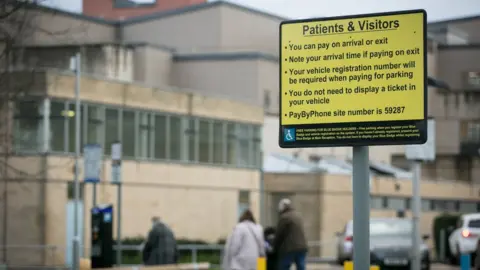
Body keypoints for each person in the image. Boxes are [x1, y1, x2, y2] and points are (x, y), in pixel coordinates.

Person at [274, 198, 308, 270]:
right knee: (301, 267)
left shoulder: (284, 217)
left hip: (289, 248)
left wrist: (275, 247)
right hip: (302, 246)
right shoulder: (298, 215)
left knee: (284, 266)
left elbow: (279, 234)